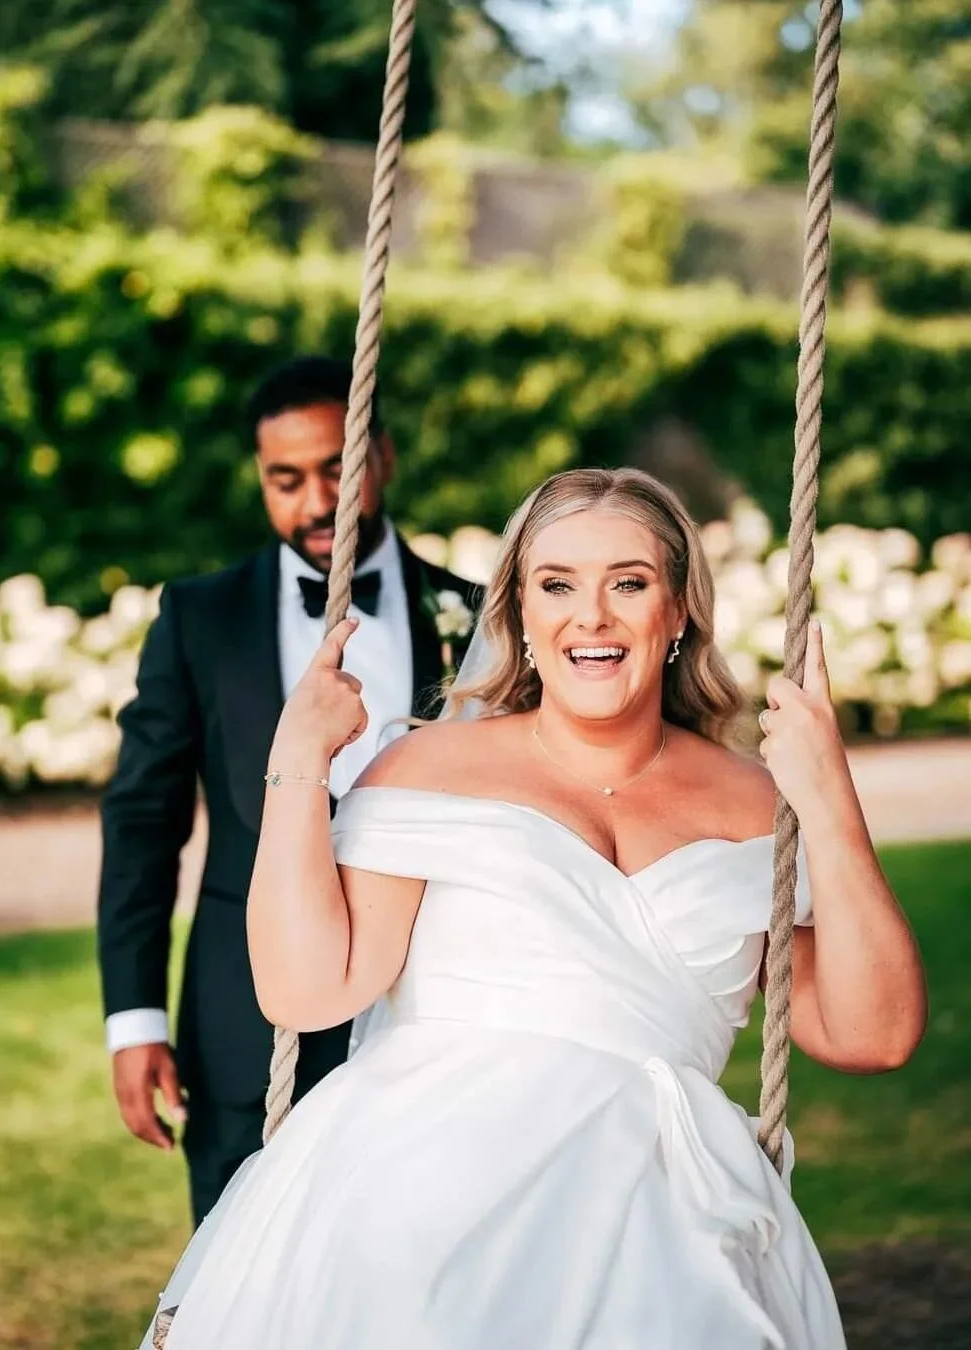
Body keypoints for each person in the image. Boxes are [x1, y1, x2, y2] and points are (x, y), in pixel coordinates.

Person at [140, 466, 927, 1350]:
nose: (590, 616)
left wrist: (827, 799)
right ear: (518, 612)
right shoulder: (429, 770)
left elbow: (874, 1034)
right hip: (422, 1199)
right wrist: (296, 764)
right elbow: (305, 993)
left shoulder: (761, 803)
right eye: (557, 586)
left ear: (677, 613)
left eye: (627, 584)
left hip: (666, 1223)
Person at [97, 355, 482, 1226]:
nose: (316, 503)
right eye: (286, 479)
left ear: (380, 456)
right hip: (242, 1023)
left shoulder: (473, 616)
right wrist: (134, 1018)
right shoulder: (201, 617)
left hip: (431, 1014)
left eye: (336, 468)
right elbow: (142, 824)